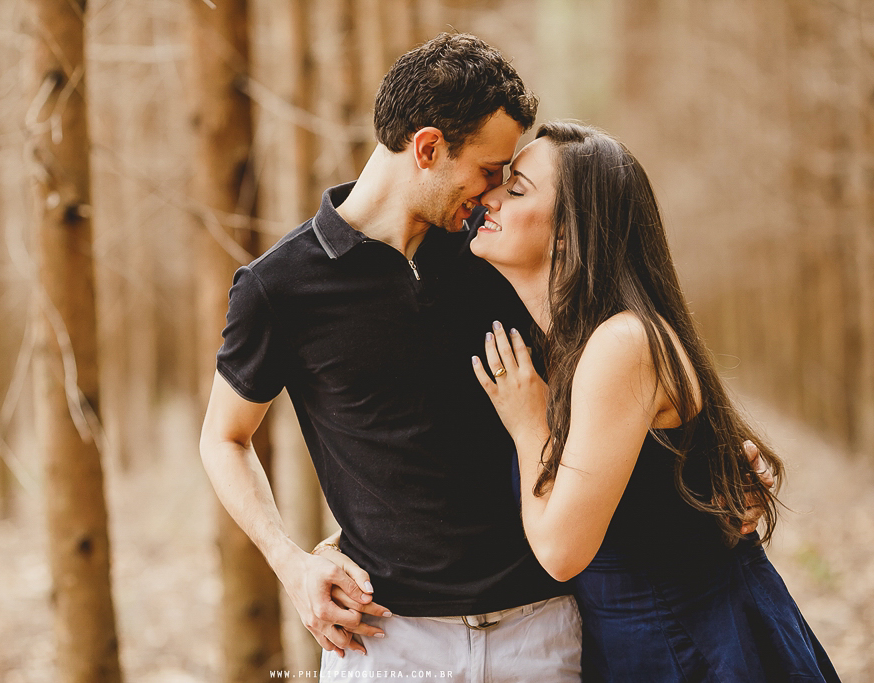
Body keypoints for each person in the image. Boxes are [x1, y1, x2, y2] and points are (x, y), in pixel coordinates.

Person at [199, 33, 584, 680]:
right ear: (428, 147)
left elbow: (609, 364)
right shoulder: (279, 286)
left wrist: (709, 449)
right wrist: (292, 563)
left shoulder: (500, 253)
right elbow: (224, 437)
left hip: (540, 630)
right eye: (490, 171)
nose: (496, 194)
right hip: (386, 644)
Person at [469, 120, 840, 681]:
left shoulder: (621, 343)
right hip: (632, 648)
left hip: (695, 649)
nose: (487, 197)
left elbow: (561, 551)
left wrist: (529, 425)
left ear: (570, 232)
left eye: (516, 188)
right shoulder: (556, 345)